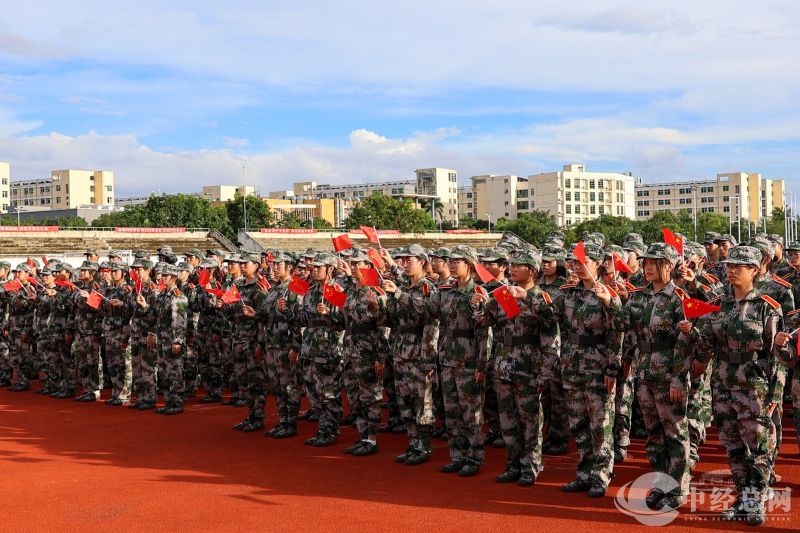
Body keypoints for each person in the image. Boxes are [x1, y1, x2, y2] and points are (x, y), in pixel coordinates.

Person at [678, 245, 782, 526]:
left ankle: (755, 501)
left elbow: (778, 356)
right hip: (723, 383)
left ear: (754, 270)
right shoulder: (719, 304)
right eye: (729, 266)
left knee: (760, 448)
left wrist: (776, 394)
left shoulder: (767, 307)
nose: (732, 270)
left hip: (754, 386)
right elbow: (707, 345)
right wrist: (693, 333)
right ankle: (742, 498)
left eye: (739, 266)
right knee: (733, 447)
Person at [472, 250, 560, 487]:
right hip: (503, 367)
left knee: (530, 421)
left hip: (529, 368)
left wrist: (545, 371)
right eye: (512, 266)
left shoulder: (541, 298)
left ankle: (530, 466)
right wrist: (478, 305)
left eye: (519, 266)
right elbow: (483, 320)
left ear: (532, 270)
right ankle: (512, 465)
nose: (512, 269)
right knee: (508, 421)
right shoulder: (502, 294)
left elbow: (552, 332)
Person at [622, 243, 692, 510]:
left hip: (668, 374)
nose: (648, 266)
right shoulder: (639, 297)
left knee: (674, 430)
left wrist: (678, 378)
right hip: (644, 372)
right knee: (653, 433)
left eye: (655, 261)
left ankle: (677, 486)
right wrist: (611, 300)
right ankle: (660, 483)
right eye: (646, 262)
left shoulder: (678, 298)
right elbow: (625, 327)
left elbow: (684, 342)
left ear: (670, 265)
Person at [553, 242, 624, 498]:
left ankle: (601, 475)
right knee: (578, 424)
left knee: (600, 424)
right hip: (572, 365)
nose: (578, 266)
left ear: (597, 264)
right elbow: (552, 319)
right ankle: (583, 473)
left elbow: (618, 332)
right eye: (574, 262)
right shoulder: (569, 294)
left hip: (597, 365)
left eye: (584, 262)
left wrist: (612, 369)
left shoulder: (607, 293)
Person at [423, 245, 490, 477]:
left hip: (469, 361)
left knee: (471, 413)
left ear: (469, 264)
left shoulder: (478, 293)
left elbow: (484, 332)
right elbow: (428, 312)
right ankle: (457, 455)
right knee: (451, 412)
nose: (451, 264)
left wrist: (482, 365)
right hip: (448, 358)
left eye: (457, 261)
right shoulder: (446, 292)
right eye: (450, 261)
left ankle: (474, 457)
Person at [382, 244, 440, 465]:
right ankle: (412, 444)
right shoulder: (406, 285)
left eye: (409, 260)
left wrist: (428, 358)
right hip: (401, 352)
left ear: (422, 262)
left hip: (419, 353)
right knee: (405, 402)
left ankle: (424, 447)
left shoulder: (427, 288)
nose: (404, 264)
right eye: (402, 260)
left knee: (422, 403)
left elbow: (427, 313)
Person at [280, 252, 345, 447]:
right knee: (312, 392)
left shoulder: (336, 291)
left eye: (319, 267)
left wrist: (328, 315)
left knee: (328, 393)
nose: (314, 270)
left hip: (328, 350)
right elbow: (302, 319)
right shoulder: (310, 291)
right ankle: (322, 427)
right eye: (313, 267)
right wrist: (287, 311)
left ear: (330, 269)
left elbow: (343, 323)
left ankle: (331, 430)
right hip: (310, 349)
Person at [337, 251, 388, 456]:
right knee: (354, 396)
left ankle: (372, 439)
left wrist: (380, 357)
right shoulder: (350, 291)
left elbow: (384, 327)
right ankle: (362, 436)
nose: (354, 266)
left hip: (368, 351)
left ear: (368, 265)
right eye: (352, 263)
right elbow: (344, 320)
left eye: (358, 263)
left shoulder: (375, 291)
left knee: (370, 396)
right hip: (350, 350)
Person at [260, 252, 303, 439]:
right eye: (274, 264)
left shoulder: (297, 288)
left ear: (290, 267)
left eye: (279, 264)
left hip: (286, 345)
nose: (274, 267)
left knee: (289, 386)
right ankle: (282, 420)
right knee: (276, 386)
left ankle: (290, 423)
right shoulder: (273, 289)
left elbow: (301, 321)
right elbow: (267, 317)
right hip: (272, 345)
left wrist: (296, 346)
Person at [232, 253, 270, 432]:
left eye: (244, 263)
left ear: (255, 266)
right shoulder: (239, 286)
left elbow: (264, 318)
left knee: (256, 381)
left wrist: (260, 344)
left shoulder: (259, 288)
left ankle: (258, 417)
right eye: (240, 263)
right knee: (243, 380)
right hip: (239, 339)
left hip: (253, 340)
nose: (241, 266)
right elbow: (232, 313)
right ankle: (250, 415)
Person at [147, 264, 189, 415]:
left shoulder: (178, 296)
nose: (162, 277)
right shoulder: (163, 295)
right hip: (162, 340)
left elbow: (180, 320)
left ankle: (176, 403)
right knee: (164, 373)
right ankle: (168, 401)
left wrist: (178, 340)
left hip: (172, 341)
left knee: (175, 373)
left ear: (174, 278)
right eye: (162, 275)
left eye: (166, 275)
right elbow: (155, 317)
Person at [101, 263, 134, 405]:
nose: (113, 273)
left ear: (124, 273)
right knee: (112, 364)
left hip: (121, 331)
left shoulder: (128, 290)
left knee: (124, 364)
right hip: (109, 332)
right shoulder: (109, 290)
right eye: (112, 271)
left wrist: (121, 305)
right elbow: (102, 309)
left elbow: (132, 311)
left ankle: (124, 394)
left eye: (116, 271)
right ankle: (116, 392)